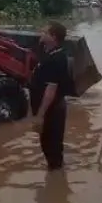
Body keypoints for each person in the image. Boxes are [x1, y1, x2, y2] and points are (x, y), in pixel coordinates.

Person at [30, 21, 71, 171]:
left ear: (53, 37)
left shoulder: (57, 59)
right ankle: (55, 175)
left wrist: (40, 115)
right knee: (46, 144)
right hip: (47, 108)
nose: (42, 34)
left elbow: (51, 90)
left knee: (52, 145)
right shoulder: (48, 53)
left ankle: (57, 181)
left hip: (52, 109)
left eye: (45, 32)